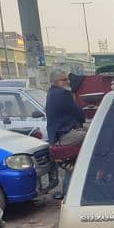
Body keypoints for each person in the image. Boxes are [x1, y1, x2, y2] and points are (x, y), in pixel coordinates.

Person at [45, 67, 86, 199]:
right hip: (63, 137)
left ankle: (67, 194)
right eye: (64, 80)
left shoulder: (51, 93)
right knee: (94, 135)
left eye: (67, 79)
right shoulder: (62, 94)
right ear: (55, 82)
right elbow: (79, 115)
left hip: (57, 137)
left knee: (72, 167)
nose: (68, 82)